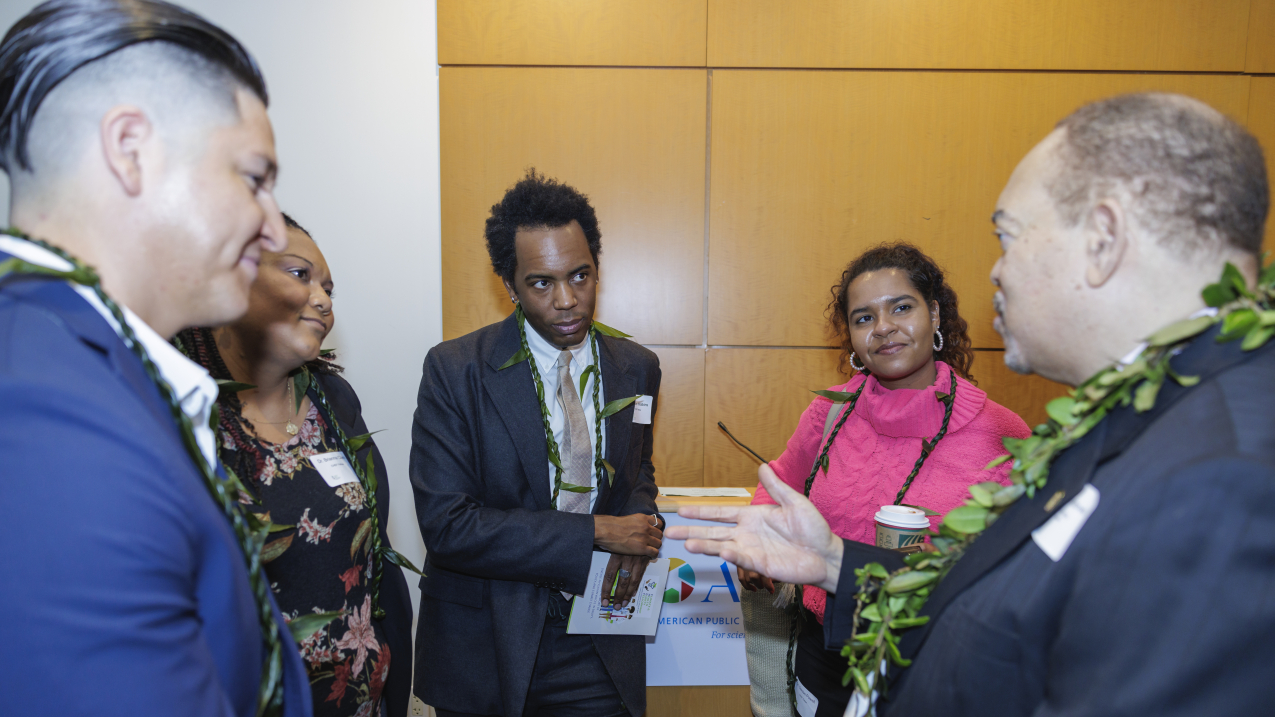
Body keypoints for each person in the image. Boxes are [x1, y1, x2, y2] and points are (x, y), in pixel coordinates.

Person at [669, 92, 1275, 716]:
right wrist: (832, 562)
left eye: (1008, 238)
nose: (997, 274)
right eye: (863, 317)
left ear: (1103, 239)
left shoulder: (1223, 472)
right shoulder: (1148, 417)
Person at [0, 1, 311, 716]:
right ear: (130, 148)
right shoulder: (46, 415)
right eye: (255, 178)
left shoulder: (90, 367)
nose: (272, 228)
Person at [410, 169, 663, 717]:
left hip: (599, 642)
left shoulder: (637, 368)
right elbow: (448, 523)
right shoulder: (456, 371)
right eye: (542, 283)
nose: (568, 300)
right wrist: (597, 533)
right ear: (510, 286)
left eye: (581, 275)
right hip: (485, 641)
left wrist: (639, 524)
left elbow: (636, 472)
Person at [737, 243, 1029, 713]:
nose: (884, 328)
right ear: (850, 337)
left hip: (934, 667)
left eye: (901, 307)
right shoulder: (830, 411)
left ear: (934, 314)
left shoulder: (1002, 434)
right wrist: (757, 536)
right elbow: (779, 481)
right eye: (863, 317)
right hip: (825, 661)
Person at [176, 214, 415, 717]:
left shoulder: (334, 399)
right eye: (300, 275)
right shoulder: (183, 412)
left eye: (328, 287)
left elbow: (373, 552)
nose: (324, 300)